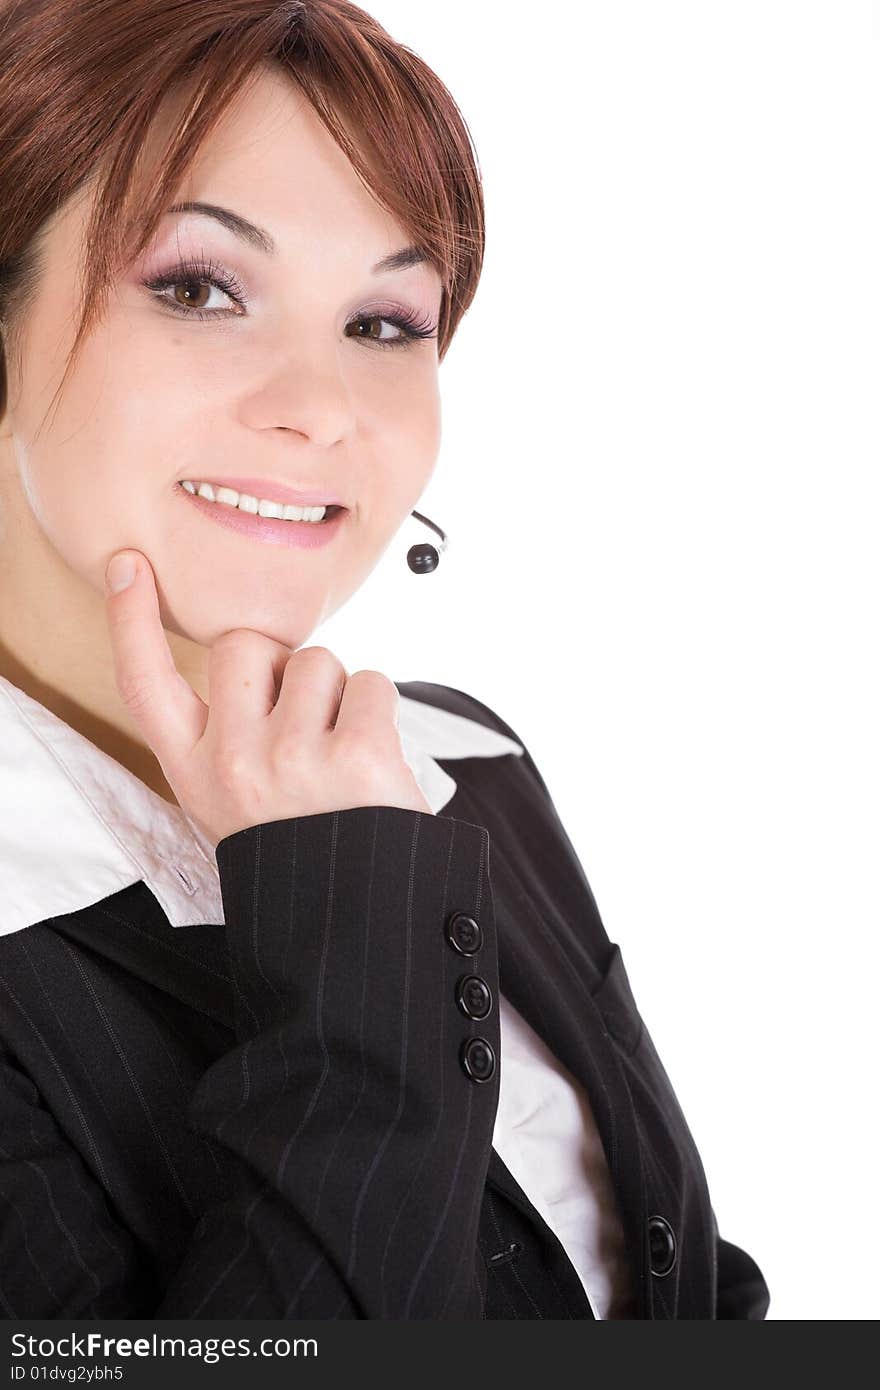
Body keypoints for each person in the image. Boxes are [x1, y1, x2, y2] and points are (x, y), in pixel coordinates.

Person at [0, 0, 769, 1320]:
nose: (321, 407)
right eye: (197, 287)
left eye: (383, 322)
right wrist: (351, 949)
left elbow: (680, 1283)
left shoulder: (456, 755)